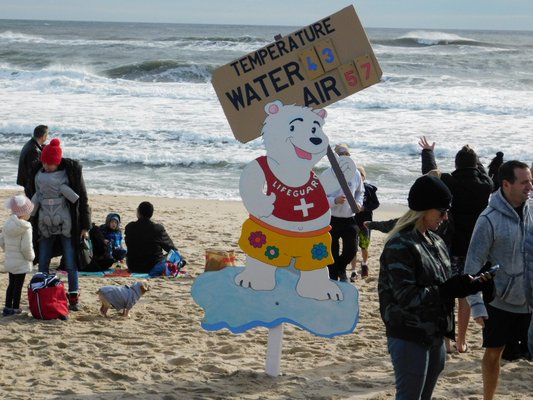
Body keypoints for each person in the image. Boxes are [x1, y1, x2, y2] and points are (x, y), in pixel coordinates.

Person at [378, 175, 493, 400]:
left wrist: (469, 284)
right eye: (441, 211)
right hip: (409, 335)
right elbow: (406, 297)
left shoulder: (436, 242)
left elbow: (444, 283)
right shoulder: (400, 245)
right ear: (423, 209)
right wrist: (448, 290)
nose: (446, 217)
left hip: (435, 335)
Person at [464, 160, 532, 400]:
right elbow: (471, 267)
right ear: (506, 184)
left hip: (530, 299)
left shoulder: (531, 211)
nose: (530, 187)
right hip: (500, 301)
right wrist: (477, 305)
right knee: (494, 353)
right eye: (524, 182)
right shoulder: (488, 219)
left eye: (531, 181)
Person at [419, 136, 493, 354]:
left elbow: (430, 176)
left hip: (450, 245)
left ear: (457, 163)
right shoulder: (485, 185)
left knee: (448, 292)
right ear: (476, 163)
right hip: (475, 248)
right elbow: (482, 172)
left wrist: (428, 152)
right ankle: (461, 341)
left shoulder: (451, 181)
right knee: (466, 294)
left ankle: (446, 342)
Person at [28, 138, 92, 311]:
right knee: (43, 261)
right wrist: (26, 217)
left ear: (58, 162)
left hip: (67, 225)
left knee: (71, 262)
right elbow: (33, 200)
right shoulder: (37, 174)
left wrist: (85, 226)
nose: (47, 166)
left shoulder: (70, 173)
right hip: (44, 224)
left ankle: (73, 296)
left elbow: (81, 199)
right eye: (45, 163)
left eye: (51, 163)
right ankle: (42, 292)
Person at [325, 144, 364, 282]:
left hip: (349, 219)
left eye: (346, 154)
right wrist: (334, 200)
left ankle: (341, 269)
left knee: (351, 250)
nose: (344, 157)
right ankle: (333, 278)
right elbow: (320, 197)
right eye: (340, 154)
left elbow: (360, 191)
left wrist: (359, 203)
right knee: (332, 253)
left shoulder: (356, 173)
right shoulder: (328, 174)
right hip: (332, 219)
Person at [0, 195, 35, 316]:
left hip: (10, 259)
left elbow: (2, 241)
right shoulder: (26, 227)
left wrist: (8, 250)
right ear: (24, 213)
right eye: (29, 212)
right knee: (18, 286)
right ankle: (15, 308)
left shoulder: (8, 223)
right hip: (21, 261)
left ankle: (7, 307)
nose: (30, 215)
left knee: (11, 284)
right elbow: (26, 247)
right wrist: (31, 257)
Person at [124, 201, 179, 274]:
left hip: (132, 266)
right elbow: (170, 248)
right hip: (151, 266)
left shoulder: (129, 227)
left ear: (138, 212)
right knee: (175, 255)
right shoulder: (157, 229)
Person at [350, 166, 379, 281]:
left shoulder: (369, 189)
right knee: (352, 248)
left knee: (364, 245)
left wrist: (364, 208)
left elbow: (376, 204)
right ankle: (353, 270)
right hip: (352, 223)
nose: (359, 177)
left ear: (364, 176)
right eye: (356, 174)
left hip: (365, 223)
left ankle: (365, 264)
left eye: (361, 174)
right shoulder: (350, 188)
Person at [17, 125, 49, 197]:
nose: (48, 137)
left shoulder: (30, 143)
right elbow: (35, 170)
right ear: (44, 136)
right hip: (30, 185)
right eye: (47, 135)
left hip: (26, 182)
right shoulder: (34, 150)